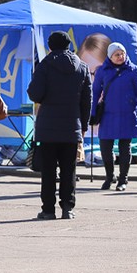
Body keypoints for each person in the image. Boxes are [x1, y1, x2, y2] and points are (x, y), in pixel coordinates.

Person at [27, 31, 92, 219]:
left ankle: (48, 210)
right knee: (69, 169)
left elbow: (35, 94)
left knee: (48, 170)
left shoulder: (45, 65)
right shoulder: (82, 67)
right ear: (69, 45)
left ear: (50, 46)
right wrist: (83, 126)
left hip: (47, 127)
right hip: (72, 126)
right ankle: (67, 208)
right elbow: (87, 101)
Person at [92, 42, 137, 191]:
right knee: (105, 149)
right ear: (110, 56)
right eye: (117, 54)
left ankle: (123, 179)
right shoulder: (102, 71)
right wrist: (92, 113)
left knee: (125, 149)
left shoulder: (133, 70)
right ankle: (109, 176)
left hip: (127, 115)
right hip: (108, 115)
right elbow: (95, 92)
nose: (120, 57)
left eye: (122, 54)